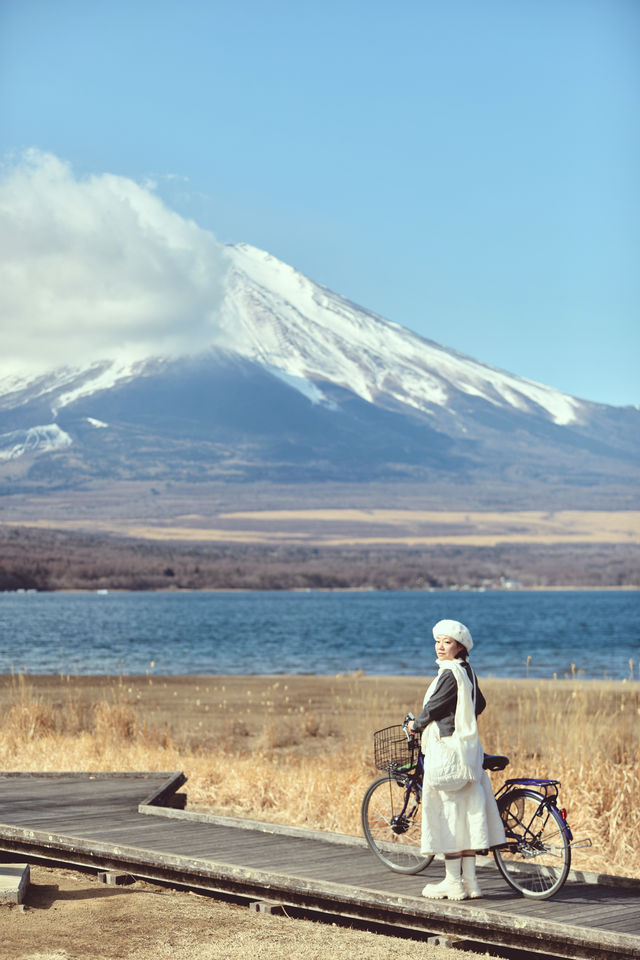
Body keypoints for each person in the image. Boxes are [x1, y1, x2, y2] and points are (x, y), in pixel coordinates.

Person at [408, 619, 505, 901]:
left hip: (449, 752)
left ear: (459, 646)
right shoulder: (466, 671)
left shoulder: (450, 673)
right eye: (437, 641)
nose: (440, 646)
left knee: (448, 815)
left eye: (447, 642)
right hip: (469, 750)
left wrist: (416, 725)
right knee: (467, 814)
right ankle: (471, 882)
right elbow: (480, 704)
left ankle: (452, 882)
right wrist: (462, 717)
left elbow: (432, 708)